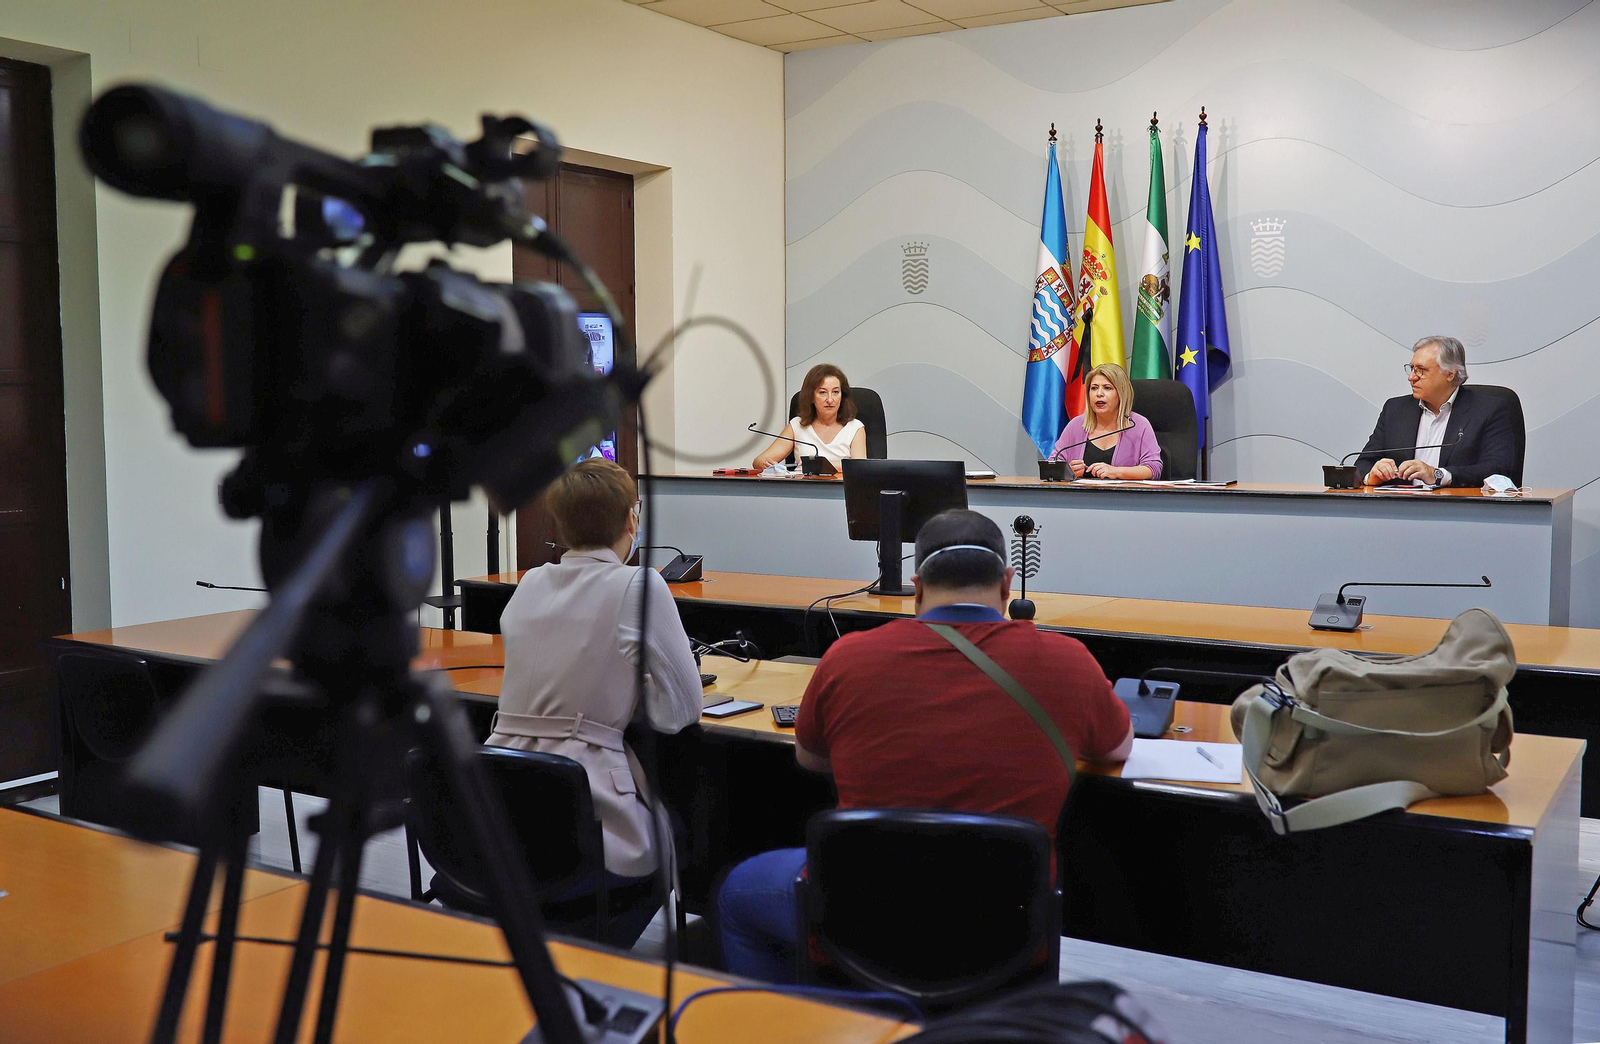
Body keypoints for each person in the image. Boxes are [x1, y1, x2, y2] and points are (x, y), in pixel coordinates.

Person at [715, 509, 1134, 982]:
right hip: (1007, 929)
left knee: (737, 894)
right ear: (1007, 583)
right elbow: (1117, 749)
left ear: (917, 588)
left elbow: (810, 757)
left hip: (862, 919)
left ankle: (825, 1018)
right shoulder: (1067, 661)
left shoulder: (848, 656)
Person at [487, 458, 702, 946]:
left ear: (559, 524)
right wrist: (637, 687)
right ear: (632, 518)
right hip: (587, 814)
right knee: (688, 829)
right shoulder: (638, 584)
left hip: (502, 803)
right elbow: (682, 711)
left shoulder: (528, 584)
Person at [1357, 336, 1519, 488]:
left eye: (1421, 370)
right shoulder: (1395, 410)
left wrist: (1439, 475)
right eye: (1412, 368)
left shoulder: (1489, 410)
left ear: (1450, 374)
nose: (1412, 377)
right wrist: (1372, 475)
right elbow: (1362, 464)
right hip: (1399, 510)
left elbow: (1499, 469)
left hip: (1459, 511)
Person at [1049, 363, 1163, 479]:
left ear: (1121, 393)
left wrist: (1116, 472)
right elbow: (1052, 466)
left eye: (1107, 388)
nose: (1099, 394)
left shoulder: (1138, 425)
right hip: (1081, 496)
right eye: (1094, 388)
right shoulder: (1076, 425)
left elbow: (1153, 468)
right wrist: (1068, 471)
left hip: (1124, 496)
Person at [752, 363, 867, 470]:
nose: (830, 399)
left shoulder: (854, 428)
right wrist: (765, 463)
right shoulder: (797, 426)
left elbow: (860, 467)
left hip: (840, 490)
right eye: (822, 392)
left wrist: (819, 465)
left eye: (836, 392)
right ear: (811, 397)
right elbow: (758, 461)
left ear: (842, 396)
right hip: (802, 489)